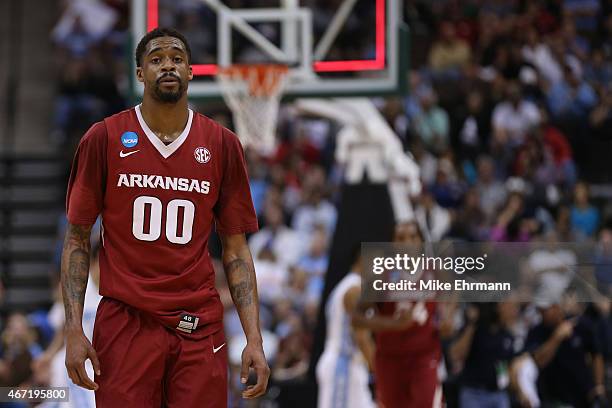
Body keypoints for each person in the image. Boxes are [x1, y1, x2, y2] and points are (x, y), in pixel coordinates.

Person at [61, 28, 269, 407]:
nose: (168, 65)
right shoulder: (103, 138)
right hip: (126, 320)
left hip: (198, 322)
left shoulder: (222, 144)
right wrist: (72, 329)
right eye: (156, 59)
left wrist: (253, 336)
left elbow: (236, 249)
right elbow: (76, 239)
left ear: (191, 71)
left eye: (177, 58)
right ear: (140, 74)